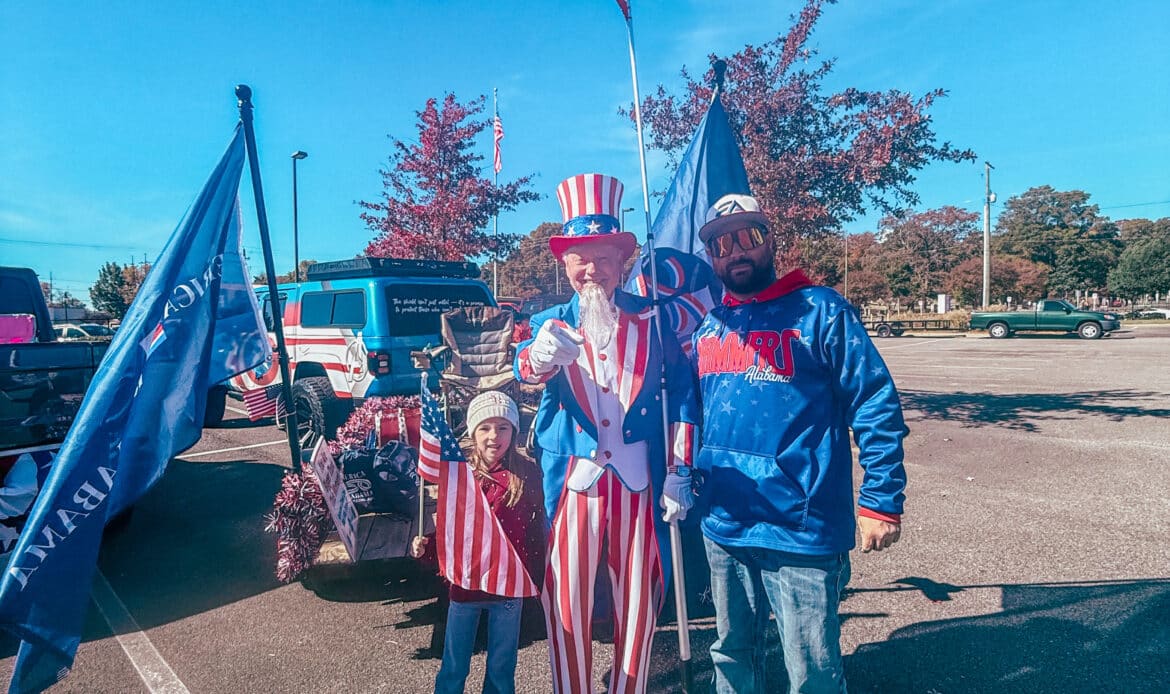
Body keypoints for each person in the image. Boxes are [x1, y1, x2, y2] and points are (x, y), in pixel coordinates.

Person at [690, 194, 908, 693]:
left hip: (801, 528)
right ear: (712, 257)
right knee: (731, 653)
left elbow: (874, 403)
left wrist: (881, 498)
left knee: (811, 670)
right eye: (721, 244)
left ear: (769, 241)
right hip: (724, 521)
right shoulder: (709, 327)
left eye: (747, 236)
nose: (735, 251)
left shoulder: (820, 310)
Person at [514, 173, 698, 694]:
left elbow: (683, 395)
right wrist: (537, 359)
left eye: (602, 257)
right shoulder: (549, 322)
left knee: (640, 601)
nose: (591, 269)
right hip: (576, 480)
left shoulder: (654, 321)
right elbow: (524, 366)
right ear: (565, 264)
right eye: (580, 258)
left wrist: (680, 469)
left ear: (622, 262)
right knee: (565, 601)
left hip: (638, 481)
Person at [409, 390, 546, 694]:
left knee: (501, 665)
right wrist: (427, 548)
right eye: (485, 427)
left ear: (514, 431)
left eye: (503, 427)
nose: (494, 436)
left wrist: (536, 573)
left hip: (509, 586)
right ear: (473, 432)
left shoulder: (527, 474)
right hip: (465, 586)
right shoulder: (461, 475)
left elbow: (536, 531)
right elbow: (450, 529)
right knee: (454, 664)